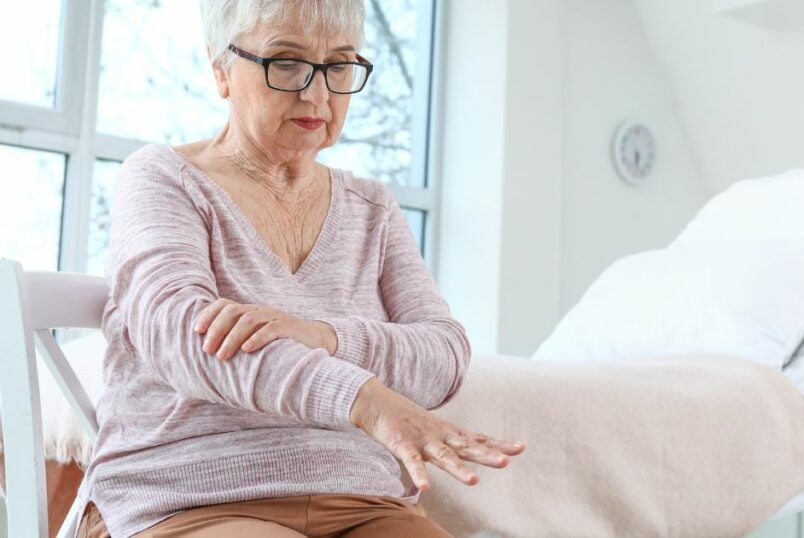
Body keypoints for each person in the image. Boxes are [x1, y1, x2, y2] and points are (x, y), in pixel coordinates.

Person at [75, 1, 525, 536]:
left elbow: (444, 354)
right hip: (190, 495)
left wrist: (325, 338)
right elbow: (182, 336)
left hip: (361, 497)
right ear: (221, 68)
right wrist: (366, 401)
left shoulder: (372, 208)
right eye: (286, 62)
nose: (318, 94)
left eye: (338, 65)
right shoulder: (164, 179)